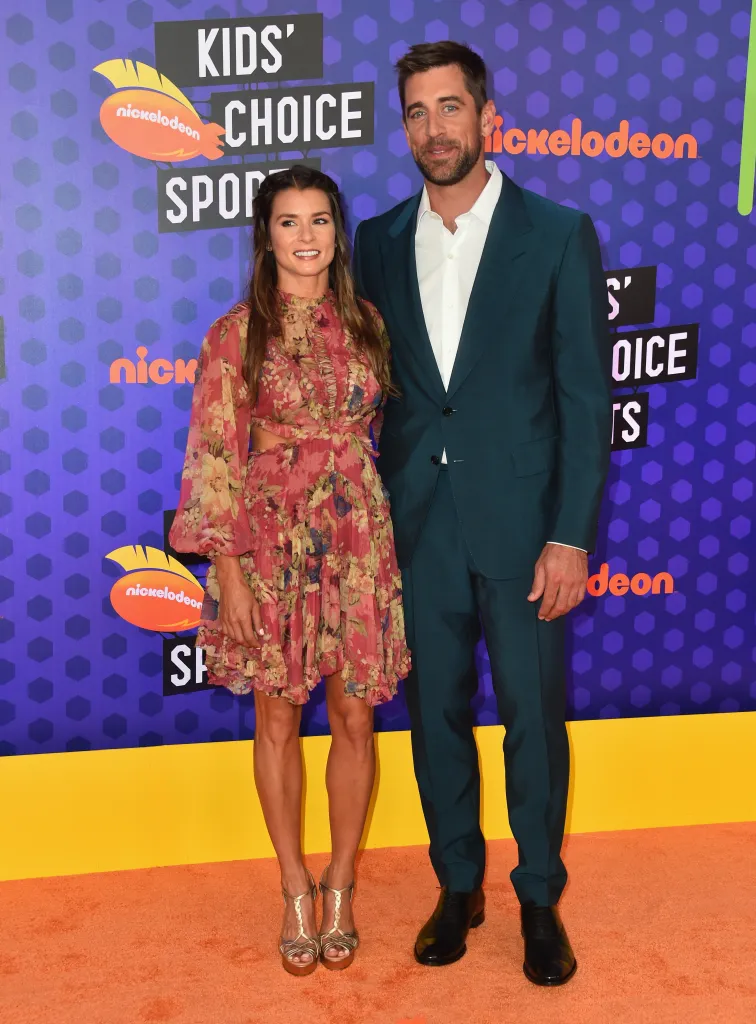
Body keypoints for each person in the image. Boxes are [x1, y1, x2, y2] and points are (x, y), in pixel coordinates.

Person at [354, 42, 611, 985]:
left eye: (450, 107)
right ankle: (457, 883)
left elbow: (584, 397)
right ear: (405, 128)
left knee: (534, 720)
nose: (435, 129)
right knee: (435, 716)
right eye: (417, 113)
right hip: (418, 524)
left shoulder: (558, 234)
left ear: (487, 116)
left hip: (526, 527)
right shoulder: (377, 241)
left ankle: (539, 897)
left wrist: (570, 534)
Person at [170, 165, 410, 976]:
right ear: (265, 236)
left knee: (355, 717)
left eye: (319, 221)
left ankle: (341, 881)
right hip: (271, 542)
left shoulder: (368, 322)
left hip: (356, 537)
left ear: (337, 232)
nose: (306, 237)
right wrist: (230, 573)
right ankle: (293, 887)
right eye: (288, 222)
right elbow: (212, 455)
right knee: (276, 719)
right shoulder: (237, 333)